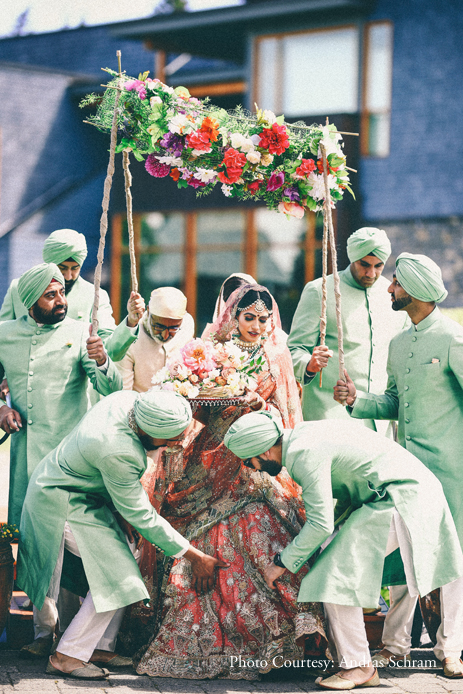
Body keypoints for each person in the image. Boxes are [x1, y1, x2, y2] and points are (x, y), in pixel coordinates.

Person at [132, 284, 329, 680]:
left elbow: (288, 411)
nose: (256, 326)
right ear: (233, 317)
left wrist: (261, 406)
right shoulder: (212, 350)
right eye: (249, 318)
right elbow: (191, 409)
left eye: (263, 319)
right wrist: (209, 399)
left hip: (258, 461)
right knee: (196, 529)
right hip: (211, 459)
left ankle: (284, 642)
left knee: (264, 526)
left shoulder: (277, 356)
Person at [224, 412, 463, 690]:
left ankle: (359, 666)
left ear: (265, 451)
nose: (252, 468)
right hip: (394, 497)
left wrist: (282, 562)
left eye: (248, 461)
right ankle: (353, 661)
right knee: (331, 567)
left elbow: (321, 523)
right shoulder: (303, 438)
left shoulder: (303, 453)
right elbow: (345, 493)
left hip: (402, 498)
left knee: (332, 576)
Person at [16, 390, 226, 680]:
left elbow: (121, 492)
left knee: (129, 553)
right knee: (119, 578)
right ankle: (66, 656)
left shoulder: (128, 401)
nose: (173, 445)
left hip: (84, 496)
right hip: (60, 502)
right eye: (168, 442)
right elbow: (144, 516)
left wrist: (120, 508)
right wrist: (195, 555)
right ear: (144, 430)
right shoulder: (118, 449)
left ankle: (99, 647)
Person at [334, 252, 463, 679]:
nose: (388, 288)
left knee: (451, 559)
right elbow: (391, 401)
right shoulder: (399, 342)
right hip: (406, 468)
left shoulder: (451, 338)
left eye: (395, 284)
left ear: (416, 290)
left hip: (453, 471)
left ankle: (451, 650)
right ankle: (394, 644)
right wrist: (357, 400)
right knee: (405, 552)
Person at [0, 263, 123, 657]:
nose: (61, 301)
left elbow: (110, 386)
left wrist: (103, 361)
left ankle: (75, 633)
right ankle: (43, 633)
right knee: (38, 547)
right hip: (28, 457)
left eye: (62, 293)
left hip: (72, 461)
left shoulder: (80, 333)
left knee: (79, 544)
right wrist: (2, 409)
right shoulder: (4, 335)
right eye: (51, 295)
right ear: (29, 300)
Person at [287, 227, 408, 435]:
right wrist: (309, 364)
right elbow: (293, 350)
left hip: (380, 425)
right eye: (364, 265)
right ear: (352, 258)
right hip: (329, 419)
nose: (371, 273)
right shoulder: (320, 291)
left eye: (378, 266)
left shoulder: (394, 295)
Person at [0, 228, 144, 369]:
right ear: (48, 263)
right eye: (62, 268)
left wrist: (130, 322)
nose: (68, 276)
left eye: (75, 268)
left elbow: (111, 352)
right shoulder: (17, 289)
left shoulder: (95, 296)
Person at [116, 287, 195, 393]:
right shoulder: (129, 338)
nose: (165, 335)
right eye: (159, 327)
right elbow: (123, 394)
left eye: (173, 328)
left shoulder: (187, 325)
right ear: (148, 312)